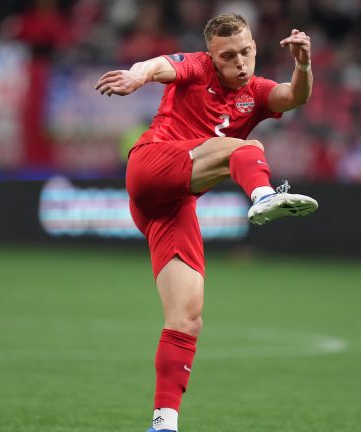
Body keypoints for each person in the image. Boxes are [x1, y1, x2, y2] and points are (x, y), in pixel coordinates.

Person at [94, 12, 317, 432]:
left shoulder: (257, 91)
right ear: (213, 58)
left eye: (246, 51)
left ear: (254, 47)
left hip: (171, 204)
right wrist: (137, 77)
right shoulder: (196, 67)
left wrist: (303, 64)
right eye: (229, 55)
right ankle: (264, 195)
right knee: (245, 147)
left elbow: (295, 97)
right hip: (150, 167)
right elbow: (160, 65)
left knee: (187, 317)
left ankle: (163, 422)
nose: (240, 62)